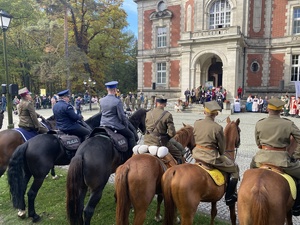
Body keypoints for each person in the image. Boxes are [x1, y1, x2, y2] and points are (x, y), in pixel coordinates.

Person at [250, 97, 300, 216]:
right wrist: (296, 154)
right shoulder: (288, 124)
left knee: (251, 173)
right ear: (281, 110)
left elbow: (258, 142)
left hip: (260, 158)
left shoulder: (260, 123)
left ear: (268, 109)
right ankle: (297, 206)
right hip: (282, 160)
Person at [192, 101, 239, 206]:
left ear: (204, 112)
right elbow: (222, 150)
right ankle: (229, 196)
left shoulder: (197, 123)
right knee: (235, 169)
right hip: (211, 158)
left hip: (197, 155)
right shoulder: (217, 128)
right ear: (216, 114)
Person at [144, 95, 185, 164]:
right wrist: (166, 138)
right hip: (160, 142)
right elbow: (172, 133)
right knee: (178, 153)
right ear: (165, 104)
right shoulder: (167, 115)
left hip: (147, 141)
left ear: (156, 103)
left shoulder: (148, 113)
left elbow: (146, 126)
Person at [100, 81, 136, 151]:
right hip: (114, 125)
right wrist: (126, 125)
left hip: (103, 124)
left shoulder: (101, 100)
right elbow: (122, 116)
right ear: (115, 90)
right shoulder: (117, 101)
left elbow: (103, 112)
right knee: (131, 135)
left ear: (107, 89)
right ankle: (132, 155)